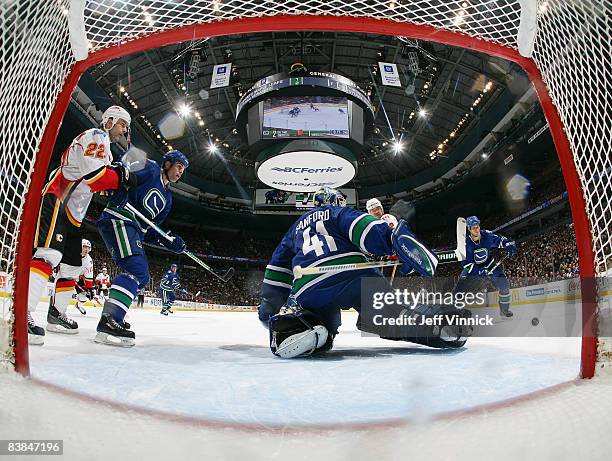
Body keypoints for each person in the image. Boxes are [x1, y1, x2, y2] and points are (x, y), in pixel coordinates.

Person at [258, 187, 471, 359]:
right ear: (336, 200)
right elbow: (367, 231)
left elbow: (276, 273)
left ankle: (305, 329)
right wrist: (389, 239)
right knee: (390, 316)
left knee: (319, 321)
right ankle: (439, 324)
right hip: (356, 277)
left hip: (309, 286)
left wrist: (269, 308)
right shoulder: (338, 212)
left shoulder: (294, 228)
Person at [27, 106, 136, 344]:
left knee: (72, 267)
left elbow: (100, 182)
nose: (124, 130)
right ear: (108, 121)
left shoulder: (106, 152)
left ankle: (56, 314)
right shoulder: (96, 136)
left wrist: (116, 183)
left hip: (73, 213)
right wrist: (121, 178)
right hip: (58, 197)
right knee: (49, 256)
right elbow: (96, 178)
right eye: (121, 124)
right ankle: (21, 314)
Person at [94, 150, 189, 346]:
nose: (181, 172)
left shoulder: (168, 200)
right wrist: (118, 190)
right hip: (118, 217)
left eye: (183, 170)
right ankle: (110, 321)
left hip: (133, 229)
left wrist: (169, 241)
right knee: (137, 269)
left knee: (142, 276)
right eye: (179, 166)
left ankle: (112, 317)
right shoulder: (152, 168)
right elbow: (125, 165)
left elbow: (150, 232)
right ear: (168, 163)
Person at [453, 216, 517, 317]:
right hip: (473, 268)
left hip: (490, 264)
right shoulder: (465, 243)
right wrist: (479, 271)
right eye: (473, 227)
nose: (476, 229)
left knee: (504, 286)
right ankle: (457, 312)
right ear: (469, 229)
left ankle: (504, 310)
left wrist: (508, 244)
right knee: (458, 291)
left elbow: (501, 240)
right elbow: (466, 264)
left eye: (477, 226)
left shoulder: (487, 235)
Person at [74, 239, 94, 315]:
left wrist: (89, 289)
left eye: (88, 247)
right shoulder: (73, 253)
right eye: (85, 247)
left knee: (83, 296)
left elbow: (89, 275)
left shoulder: (89, 261)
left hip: (79, 279)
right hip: (67, 275)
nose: (87, 249)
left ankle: (78, 305)